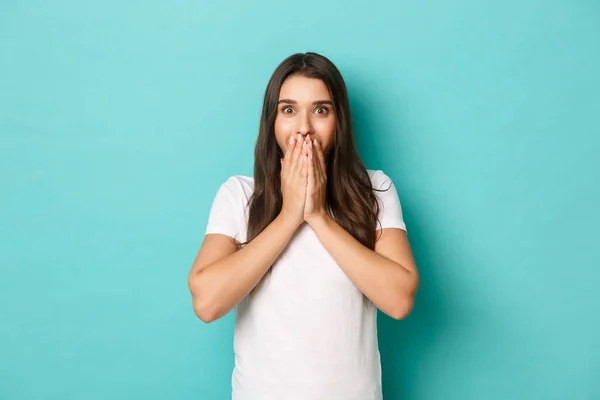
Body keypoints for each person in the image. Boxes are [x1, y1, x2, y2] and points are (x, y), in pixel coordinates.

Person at [187, 52, 419, 400]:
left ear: (339, 121)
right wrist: (289, 216)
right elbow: (206, 302)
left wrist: (317, 215)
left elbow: (400, 299)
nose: (304, 127)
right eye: (289, 110)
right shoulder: (239, 194)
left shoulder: (375, 190)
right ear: (272, 121)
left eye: (321, 110)